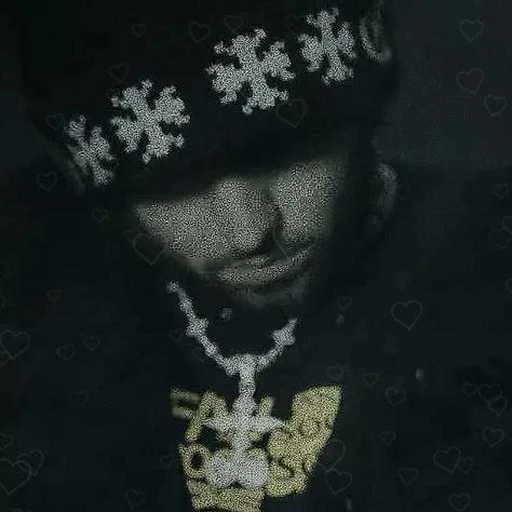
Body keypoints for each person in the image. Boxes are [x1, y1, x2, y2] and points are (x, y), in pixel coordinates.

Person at [2, 0, 512, 510]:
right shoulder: (38, 291)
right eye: (175, 184)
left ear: (360, 119)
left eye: (280, 154)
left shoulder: (487, 262)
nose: (251, 233)